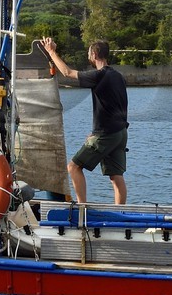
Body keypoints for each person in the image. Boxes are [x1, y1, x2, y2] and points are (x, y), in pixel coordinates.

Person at [40, 37, 128, 205]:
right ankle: (120, 213)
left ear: (94, 54)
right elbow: (114, 106)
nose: (88, 55)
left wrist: (51, 51)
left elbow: (67, 72)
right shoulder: (118, 76)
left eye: (89, 53)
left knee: (74, 167)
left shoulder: (99, 75)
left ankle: (82, 207)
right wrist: (97, 133)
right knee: (116, 177)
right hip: (120, 133)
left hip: (107, 134)